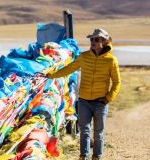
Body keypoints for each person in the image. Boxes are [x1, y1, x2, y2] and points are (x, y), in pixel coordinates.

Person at [47, 28, 121, 160]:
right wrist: (51, 75)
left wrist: (108, 98)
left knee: (98, 133)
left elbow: (117, 82)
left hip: (100, 102)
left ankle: (97, 157)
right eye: (91, 39)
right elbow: (69, 69)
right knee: (84, 132)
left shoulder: (111, 60)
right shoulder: (84, 57)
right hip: (84, 101)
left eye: (96, 39)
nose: (93, 41)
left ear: (104, 41)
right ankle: (83, 157)